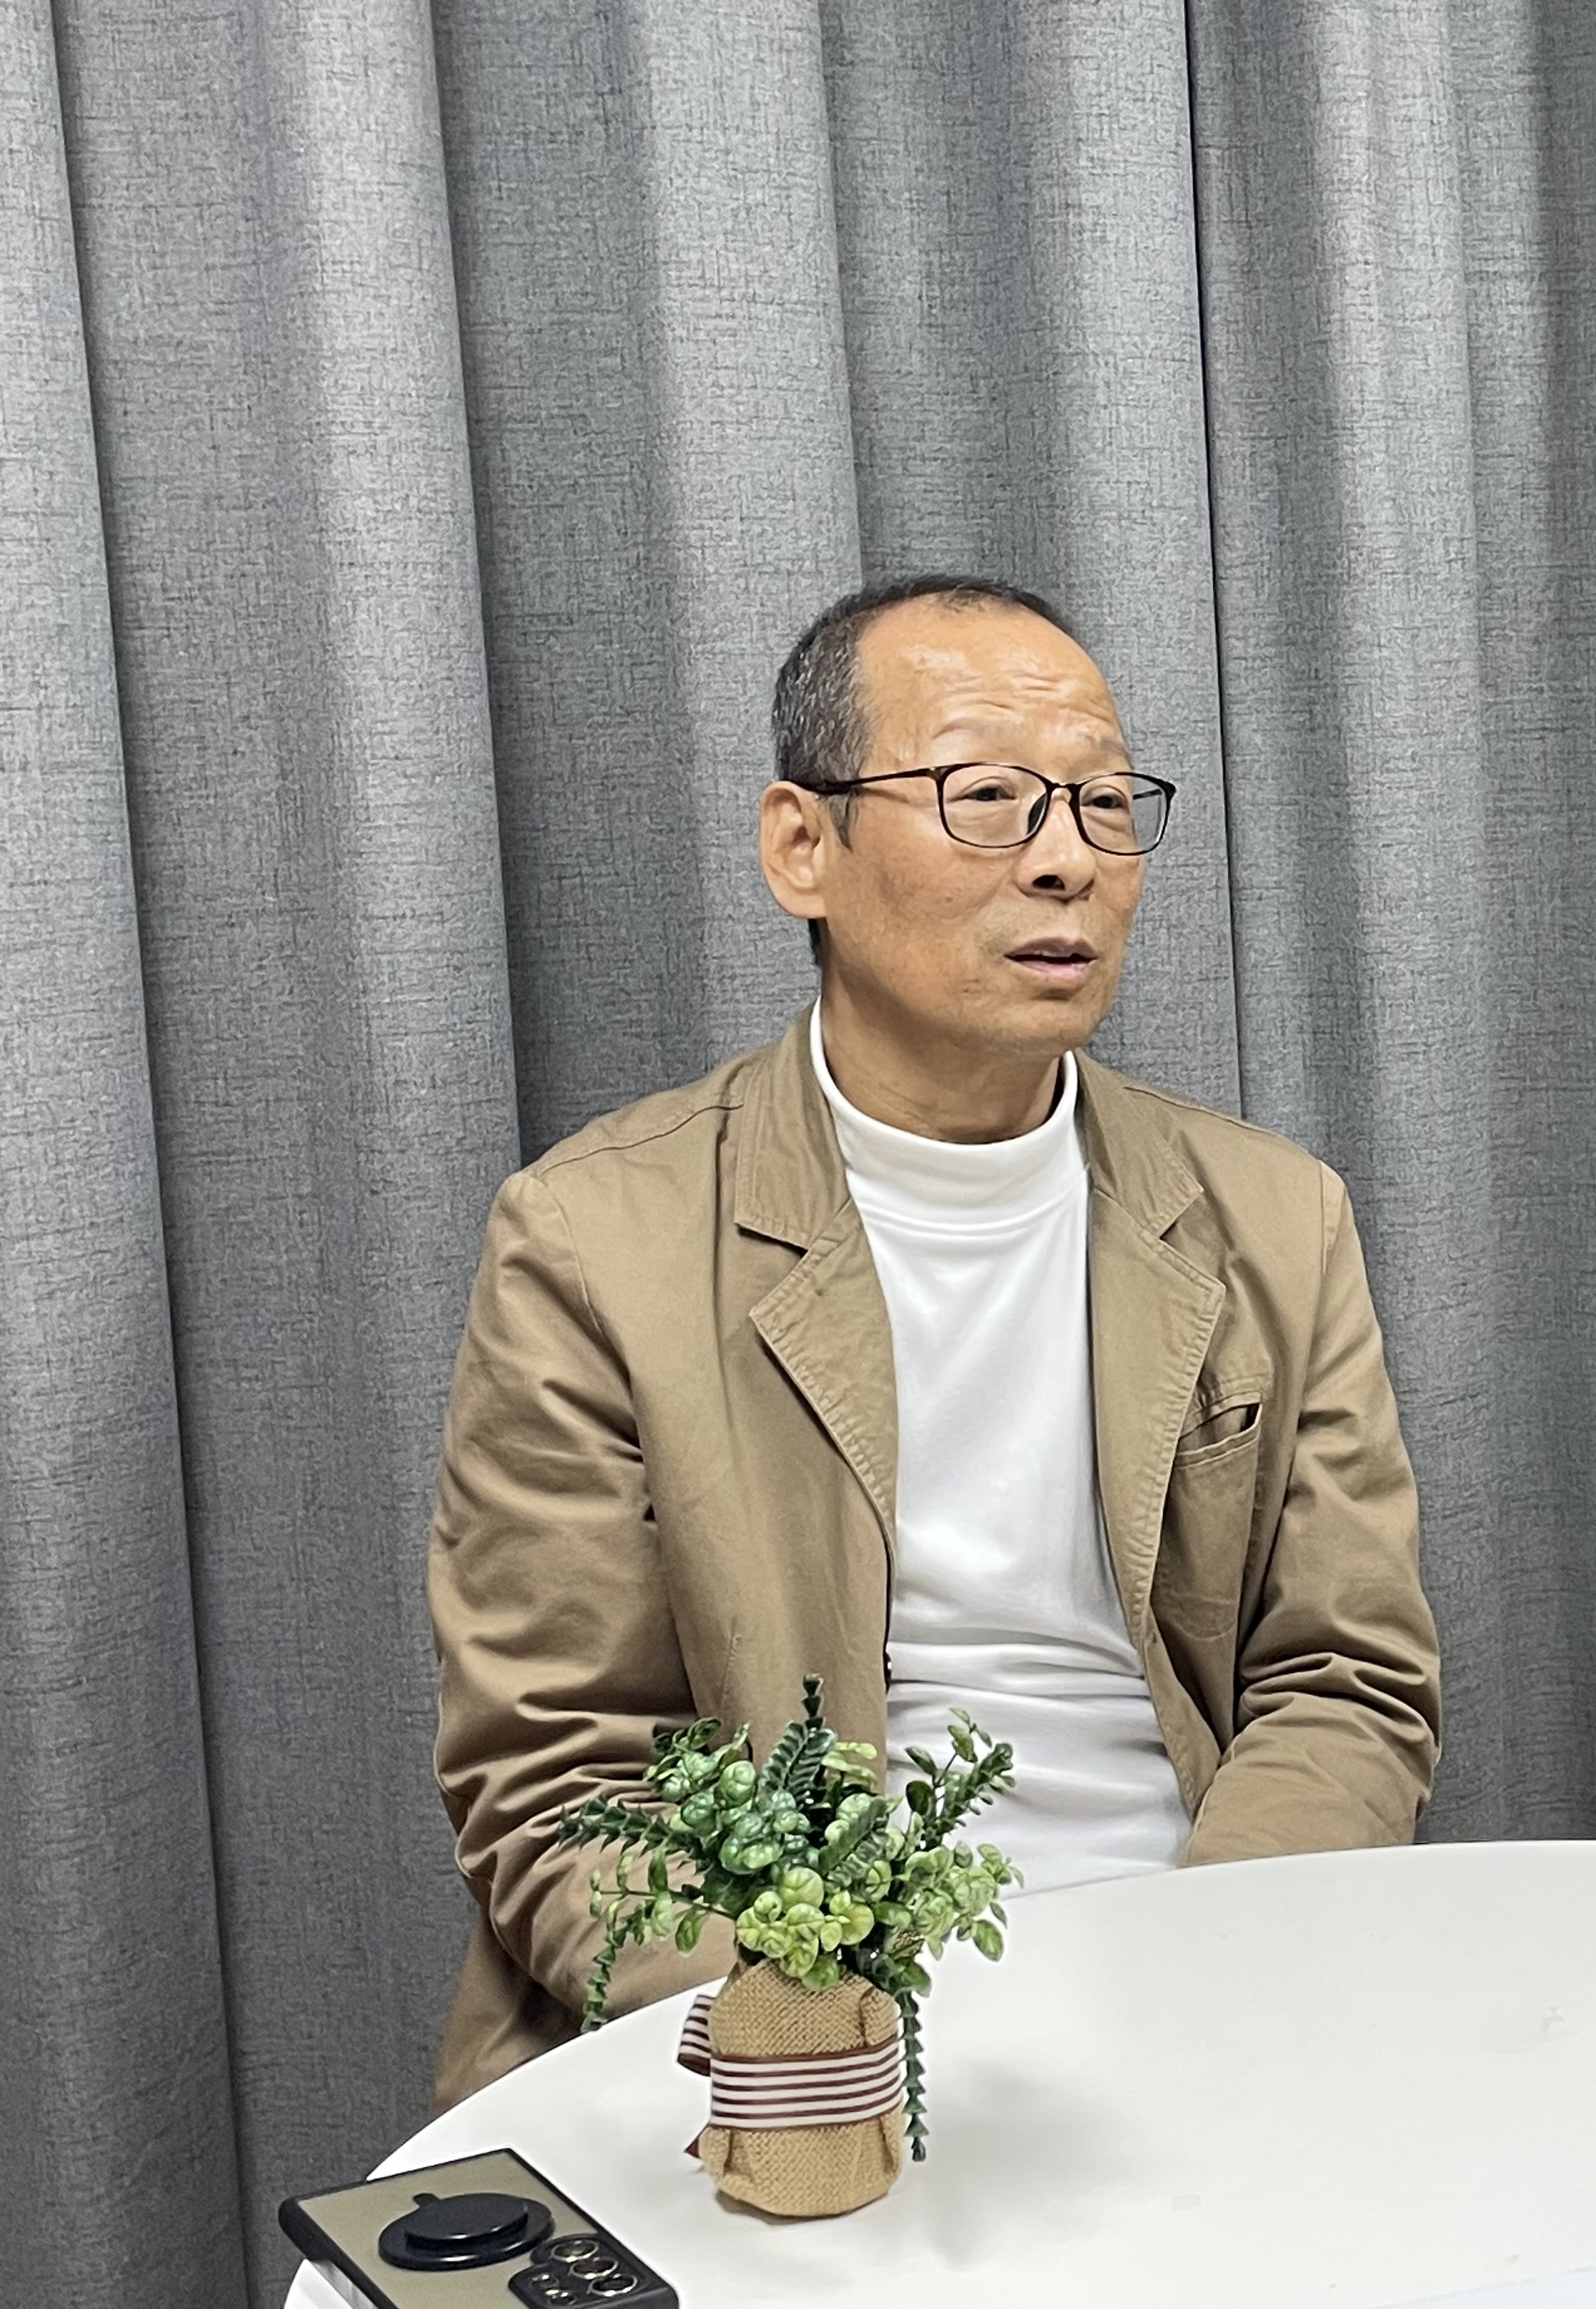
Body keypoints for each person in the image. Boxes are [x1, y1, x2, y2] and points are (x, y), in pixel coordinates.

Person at [426, 575, 1441, 2104]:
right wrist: (838, 2037)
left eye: (1104, 803)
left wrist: (1203, 1975)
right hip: (785, 2026)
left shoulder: (1271, 1218)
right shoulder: (596, 1241)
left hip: (1204, 1970)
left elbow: (1345, 1678)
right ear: (802, 846)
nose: (1065, 859)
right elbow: (563, 1775)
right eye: (985, 799)